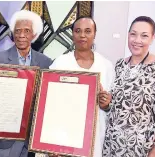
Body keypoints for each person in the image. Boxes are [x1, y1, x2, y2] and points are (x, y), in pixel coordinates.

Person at [103, 16, 155, 157]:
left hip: (143, 148)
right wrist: (107, 103)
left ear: (153, 38)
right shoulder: (120, 65)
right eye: (133, 34)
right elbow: (116, 106)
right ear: (128, 35)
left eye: (144, 36)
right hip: (113, 144)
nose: (137, 40)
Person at [48, 16, 114, 157]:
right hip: (64, 136)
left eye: (88, 31)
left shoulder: (107, 66)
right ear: (73, 34)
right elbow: (50, 104)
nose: (82, 35)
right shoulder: (60, 63)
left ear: (95, 34)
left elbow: (112, 106)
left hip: (94, 139)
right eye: (78, 31)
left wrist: (106, 104)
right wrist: (50, 141)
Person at [0, 10, 53, 157]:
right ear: (13, 34)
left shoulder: (45, 62)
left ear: (34, 35)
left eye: (27, 31)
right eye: (17, 31)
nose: (21, 35)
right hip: (5, 136)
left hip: (32, 138)